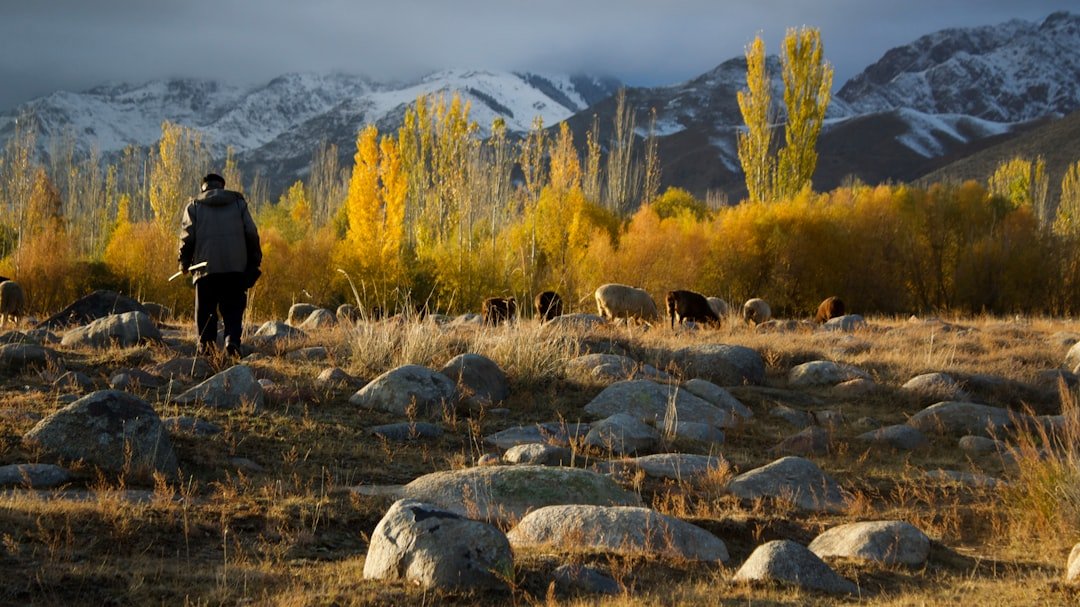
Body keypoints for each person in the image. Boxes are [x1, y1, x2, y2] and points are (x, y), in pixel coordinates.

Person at [178, 173, 262, 358]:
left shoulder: (194, 206)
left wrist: (183, 261)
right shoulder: (238, 204)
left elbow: (187, 237)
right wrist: (255, 259)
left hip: (205, 269)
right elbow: (251, 233)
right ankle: (232, 343)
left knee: (205, 311)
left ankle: (206, 349)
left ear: (203, 188)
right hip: (235, 268)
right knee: (233, 310)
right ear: (222, 186)